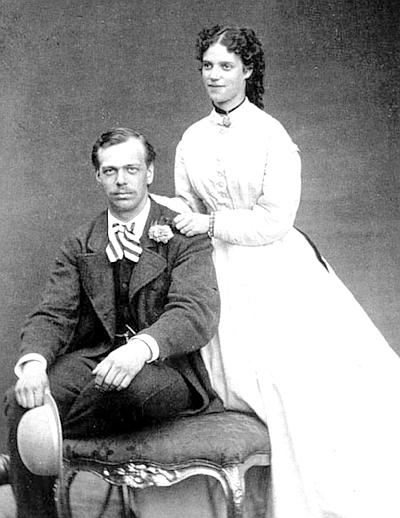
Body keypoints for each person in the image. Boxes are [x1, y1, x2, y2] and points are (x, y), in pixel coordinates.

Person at [171, 25, 400, 518]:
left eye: (226, 66)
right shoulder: (191, 138)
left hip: (273, 270)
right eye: (207, 65)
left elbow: (275, 220)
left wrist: (209, 222)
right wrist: (171, 218)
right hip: (213, 271)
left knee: (298, 388)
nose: (214, 75)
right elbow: (187, 204)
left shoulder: (271, 135)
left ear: (248, 71)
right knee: (221, 386)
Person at [1, 127, 222, 518]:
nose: (121, 180)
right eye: (110, 171)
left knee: (124, 391)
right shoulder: (81, 242)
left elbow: (194, 311)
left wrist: (139, 350)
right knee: (23, 399)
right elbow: (54, 313)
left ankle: (24, 448)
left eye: (131, 169)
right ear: (98, 177)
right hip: (98, 358)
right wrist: (34, 364)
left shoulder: (182, 233)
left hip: (164, 367)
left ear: (149, 173)